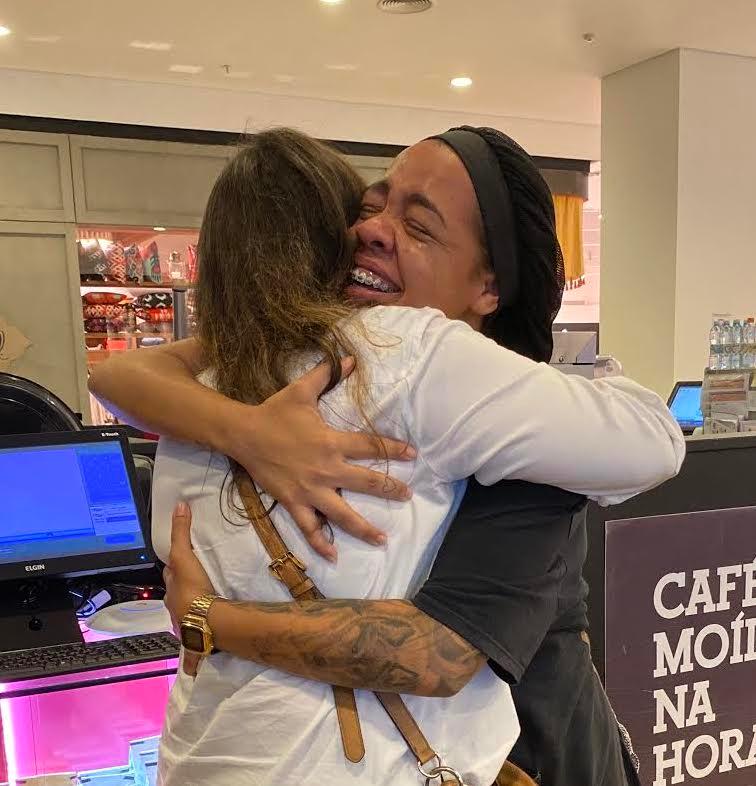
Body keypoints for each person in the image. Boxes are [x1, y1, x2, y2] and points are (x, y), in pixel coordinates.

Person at [90, 126, 684, 786]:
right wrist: (247, 429)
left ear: (489, 285)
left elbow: (439, 652)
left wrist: (209, 618)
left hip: (533, 753)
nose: (372, 230)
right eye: (370, 208)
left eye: (418, 226)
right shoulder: (343, 366)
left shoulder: (503, 428)